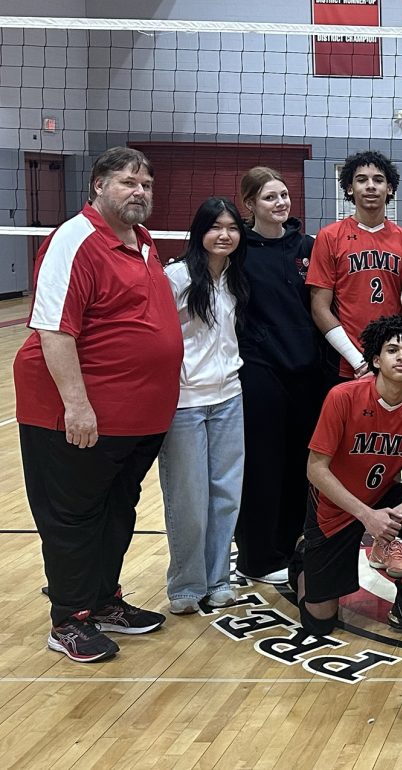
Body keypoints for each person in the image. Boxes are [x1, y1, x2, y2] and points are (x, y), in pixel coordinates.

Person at [15, 146, 182, 662]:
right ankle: (69, 618)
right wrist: (77, 405)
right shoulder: (75, 239)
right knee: (73, 517)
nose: (139, 192)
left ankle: (104, 601)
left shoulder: (142, 241)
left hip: (134, 420)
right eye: (128, 182)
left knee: (116, 512)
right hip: (76, 416)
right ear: (97, 187)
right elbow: (54, 330)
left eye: (146, 185)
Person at [292, 315, 402, 640]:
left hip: (384, 498)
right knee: (320, 622)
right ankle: (302, 562)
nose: (401, 356)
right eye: (392, 349)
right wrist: (367, 515)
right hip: (336, 507)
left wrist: (395, 515)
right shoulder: (343, 396)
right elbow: (315, 468)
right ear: (375, 358)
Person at [234, 166, 326, 586]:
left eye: (284, 195)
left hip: (307, 371)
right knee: (262, 465)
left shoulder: (309, 246)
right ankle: (256, 555)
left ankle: (291, 544)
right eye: (270, 197)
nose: (281, 203)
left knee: (301, 464)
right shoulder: (239, 250)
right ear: (250, 204)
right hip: (261, 370)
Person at [158, 197, 249, 614]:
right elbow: (156, 333)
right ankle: (186, 586)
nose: (225, 234)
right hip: (185, 404)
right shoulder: (176, 276)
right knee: (188, 499)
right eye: (216, 227)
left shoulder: (235, 277)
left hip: (229, 396)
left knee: (226, 495)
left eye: (232, 227)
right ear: (200, 232)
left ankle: (218, 579)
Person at [307, 151, 402, 380]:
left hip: (390, 360)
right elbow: (319, 308)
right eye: (361, 179)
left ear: (390, 189)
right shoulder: (329, 237)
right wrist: (357, 360)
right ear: (349, 188)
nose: (370, 186)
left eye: (378, 180)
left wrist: (400, 353)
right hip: (343, 360)